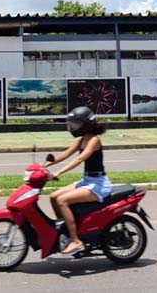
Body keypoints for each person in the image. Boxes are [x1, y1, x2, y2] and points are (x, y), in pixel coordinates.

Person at [43, 106, 112, 255]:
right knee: (54, 196)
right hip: (87, 180)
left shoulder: (94, 140)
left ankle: (76, 241)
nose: (72, 127)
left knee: (62, 200)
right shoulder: (82, 139)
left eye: (75, 124)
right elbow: (65, 154)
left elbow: (80, 158)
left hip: (98, 184)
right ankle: (66, 231)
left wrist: (58, 172)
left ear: (86, 124)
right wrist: (44, 165)